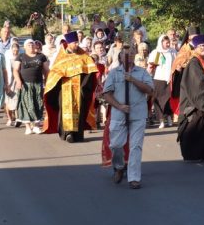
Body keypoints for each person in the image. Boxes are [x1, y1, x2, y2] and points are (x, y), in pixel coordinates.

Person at [101, 44, 154, 189]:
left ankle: (134, 178)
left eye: (131, 53)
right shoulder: (113, 73)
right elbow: (106, 93)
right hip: (119, 114)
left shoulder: (142, 72)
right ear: (120, 57)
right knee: (116, 145)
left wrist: (133, 80)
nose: (128, 56)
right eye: (125, 54)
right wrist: (119, 106)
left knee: (136, 146)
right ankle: (119, 166)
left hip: (138, 114)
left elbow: (149, 90)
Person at [42, 31, 99, 143]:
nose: (77, 45)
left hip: (80, 89)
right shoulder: (61, 57)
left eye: (77, 42)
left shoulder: (83, 56)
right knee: (65, 111)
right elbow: (55, 73)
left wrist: (84, 87)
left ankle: (78, 135)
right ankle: (68, 134)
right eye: (74, 43)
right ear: (68, 43)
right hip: (64, 89)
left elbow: (90, 72)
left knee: (79, 111)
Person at [14, 39, 49, 135]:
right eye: (28, 45)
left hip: (37, 84)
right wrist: (18, 81)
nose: (31, 46)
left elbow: (46, 70)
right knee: (26, 105)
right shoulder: (21, 56)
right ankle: (28, 127)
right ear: (24, 47)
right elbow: (15, 70)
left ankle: (36, 125)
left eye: (32, 44)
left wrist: (47, 80)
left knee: (38, 103)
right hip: (25, 84)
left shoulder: (41, 56)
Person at [148, 34, 177, 128]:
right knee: (158, 100)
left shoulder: (172, 52)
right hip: (159, 78)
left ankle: (168, 117)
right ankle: (161, 120)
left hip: (169, 79)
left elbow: (175, 64)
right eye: (166, 43)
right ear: (161, 43)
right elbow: (153, 66)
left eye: (169, 42)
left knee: (168, 100)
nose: (168, 44)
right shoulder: (157, 53)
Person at [3, 42, 20, 126]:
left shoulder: (21, 58)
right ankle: (9, 119)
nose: (15, 52)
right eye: (14, 50)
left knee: (17, 101)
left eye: (17, 50)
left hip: (17, 81)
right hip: (9, 82)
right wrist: (6, 83)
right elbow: (5, 71)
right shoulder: (7, 59)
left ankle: (17, 118)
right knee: (8, 101)